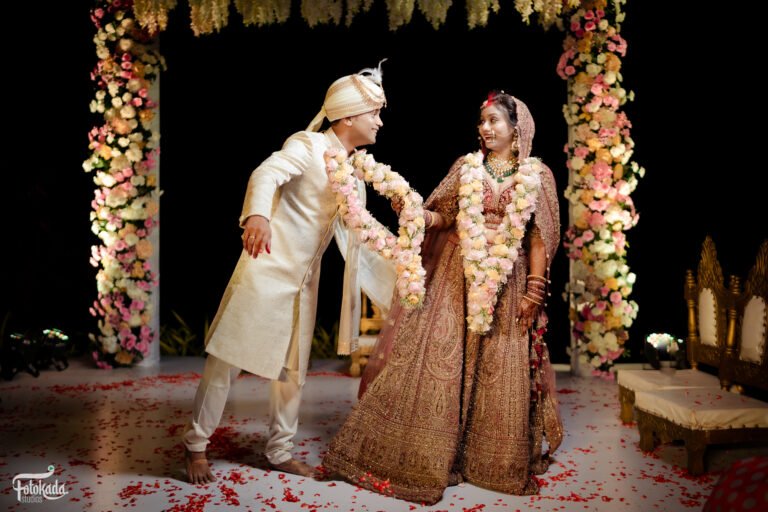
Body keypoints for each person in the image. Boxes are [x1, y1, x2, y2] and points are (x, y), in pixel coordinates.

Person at [322, 92, 563, 504]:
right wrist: (419, 215)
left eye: (494, 120)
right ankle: (432, 453)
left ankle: (488, 461)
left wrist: (535, 290)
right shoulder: (466, 167)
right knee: (442, 359)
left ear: (517, 127)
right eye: (482, 121)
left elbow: (540, 236)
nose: (485, 128)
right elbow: (445, 215)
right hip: (456, 274)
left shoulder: (537, 176)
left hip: (508, 279)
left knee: (499, 362)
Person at [182, 63, 396, 484]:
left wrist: (402, 257)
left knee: (293, 370)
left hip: (304, 283)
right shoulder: (308, 145)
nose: (380, 122)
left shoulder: (355, 171)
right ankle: (195, 445)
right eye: (374, 113)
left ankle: (279, 451)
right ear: (348, 116)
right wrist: (258, 216)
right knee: (226, 361)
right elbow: (266, 173)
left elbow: (362, 229)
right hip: (267, 269)